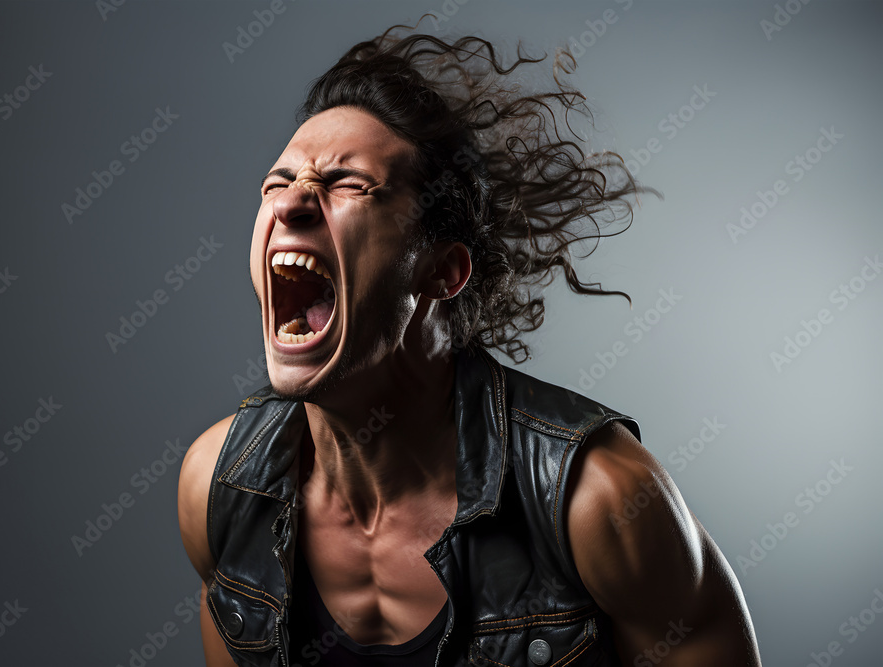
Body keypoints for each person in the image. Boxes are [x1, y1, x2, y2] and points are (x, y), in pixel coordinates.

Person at [178, 20, 761, 667]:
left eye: (347, 183)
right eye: (277, 183)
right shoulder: (221, 488)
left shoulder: (599, 500)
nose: (292, 204)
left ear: (443, 270)